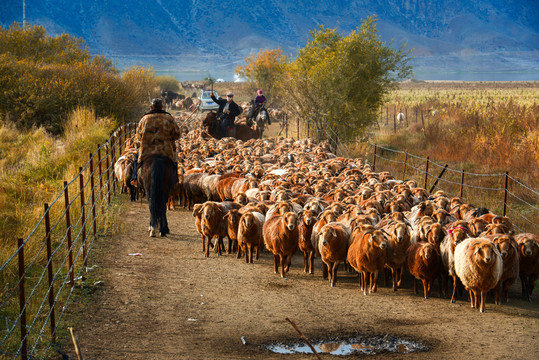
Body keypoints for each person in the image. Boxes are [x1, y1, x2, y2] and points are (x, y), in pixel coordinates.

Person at [131, 98, 180, 186]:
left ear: (151, 107)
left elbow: (138, 136)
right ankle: (175, 179)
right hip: (166, 150)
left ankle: (135, 178)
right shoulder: (168, 118)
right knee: (174, 161)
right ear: (162, 107)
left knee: (136, 160)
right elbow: (176, 135)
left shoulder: (144, 118)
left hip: (146, 150)